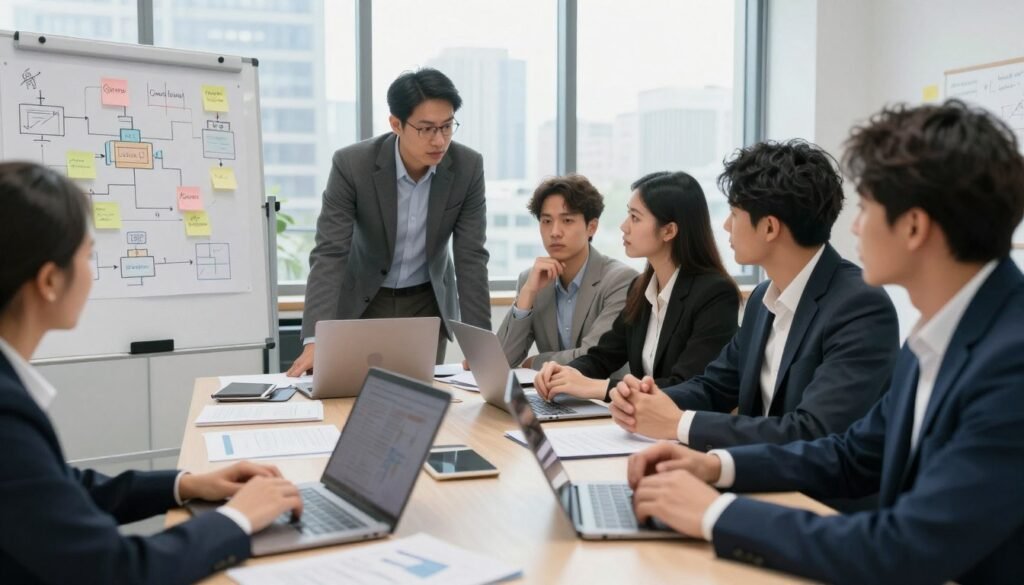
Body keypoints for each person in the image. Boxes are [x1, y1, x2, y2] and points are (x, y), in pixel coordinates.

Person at [626, 100, 1024, 585]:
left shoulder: (1011, 361)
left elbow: (906, 547)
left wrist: (715, 516)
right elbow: (851, 454)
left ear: (914, 227)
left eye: (869, 208)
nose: (854, 227)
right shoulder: (942, 335)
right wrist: (714, 466)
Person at [0, 162, 303, 584]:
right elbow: (119, 571)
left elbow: (58, 490)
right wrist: (237, 518)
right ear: (50, 281)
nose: (93, 272)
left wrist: (189, 484)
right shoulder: (6, 413)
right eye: (89, 256)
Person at [611, 140, 899, 453]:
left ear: (770, 228)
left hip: (819, 498)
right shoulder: (764, 298)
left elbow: (815, 431)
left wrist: (677, 423)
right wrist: (645, 399)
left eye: (734, 213)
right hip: (753, 475)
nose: (725, 225)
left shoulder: (859, 306)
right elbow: (715, 386)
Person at [288, 67, 489, 374]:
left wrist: (481, 349)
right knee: (350, 395)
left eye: (447, 127)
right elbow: (330, 253)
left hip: (426, 303)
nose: (439, 140)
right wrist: (316, 339)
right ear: (396, 123)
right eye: (426, 129)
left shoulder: (467, 167)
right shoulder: (353, 165)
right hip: (365, 299)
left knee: (418, 403)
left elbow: (471, 258)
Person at [534, 171, 739, 402]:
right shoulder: (641, 289)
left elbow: (686, 386)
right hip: (640, 427)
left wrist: (601, 388)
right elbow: (603, 356)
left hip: (683, 432)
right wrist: (566, 373)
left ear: (669, 231)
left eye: (635, 217)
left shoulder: (714, 295)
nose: (624, 226)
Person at [496, 174, 637, 369]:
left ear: (592, 227)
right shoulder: (531, 279)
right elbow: (501, 360)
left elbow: (593, 355)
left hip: (602, 397)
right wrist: (528, 293)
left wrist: (534, 362)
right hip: (550, 397)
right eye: (546, 221)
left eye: (567, 221)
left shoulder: (620, 280)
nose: (554, 232)